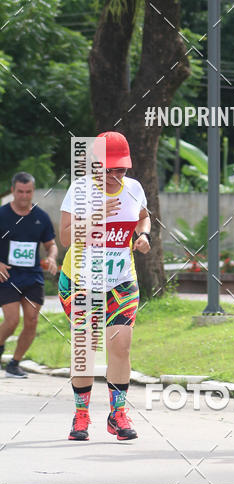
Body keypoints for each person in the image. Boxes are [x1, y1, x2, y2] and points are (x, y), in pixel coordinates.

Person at [58, 131, 151, 442]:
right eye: (108, 169)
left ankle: (118, 414)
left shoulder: (134, 188)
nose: (114, 176)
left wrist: (143, 235)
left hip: (121, 281)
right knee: (85, 348)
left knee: (121, 345)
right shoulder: (80, 190)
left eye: (120, 169)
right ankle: (81, 415)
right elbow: (66, 238)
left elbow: (143, 217)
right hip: (82, 282)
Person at [0, 172, 58, 377]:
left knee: (32, 320)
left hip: (32, 276)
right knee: (12, 319)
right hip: (7, 276)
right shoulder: (2, 214)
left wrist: (51, 258)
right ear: (13, 191)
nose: (24, 196)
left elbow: (51, 245)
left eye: (28, 192)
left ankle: (14, 364)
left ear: (33, 191)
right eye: (20, 192)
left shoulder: (41, 217)